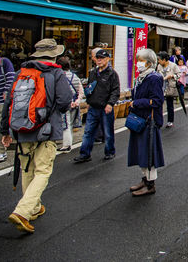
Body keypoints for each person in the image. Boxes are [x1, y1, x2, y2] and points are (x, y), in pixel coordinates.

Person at [1, 39, 72, 233]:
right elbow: (65, 100)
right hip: (47, 130)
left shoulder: (20, 73)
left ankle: (33, 208)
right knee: (42, 171)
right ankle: (23, 211)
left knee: (27, 169)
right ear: (53, 55)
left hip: (22, 130)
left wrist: (5, 131)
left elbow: (8, 103)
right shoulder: (56, 73)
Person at [127, 48, 165, 197]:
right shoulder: (141, 77)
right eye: (138, 61)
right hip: (139, 120)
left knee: (149, 153)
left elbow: (157, 100)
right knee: (140, 152)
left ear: (149, 63)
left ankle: (150, 184)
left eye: (141, 61)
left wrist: (137, 103)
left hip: (149, 120)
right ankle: (144, 179)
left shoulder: (154, 78)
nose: (138, 64)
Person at [74, 49, 120, 163]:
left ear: (107, 59)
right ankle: (85, 154)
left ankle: (110, 152)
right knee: (88, 132)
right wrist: (89, 102)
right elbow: (89, 88)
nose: (99, 60)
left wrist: (110, 104)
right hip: (93, 107)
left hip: (106, 107)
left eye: (102, 58)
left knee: (108, 132)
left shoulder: (112, 73)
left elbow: (115, 91)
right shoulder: (93, 73)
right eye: (97, 58)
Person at [57, 56, 84, 151]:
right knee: (70, 124)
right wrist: (77, 101)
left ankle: (66, 145)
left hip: (65, 103)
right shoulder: (74, 76)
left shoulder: (59, 77)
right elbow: (80, 91)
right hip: (74, 103)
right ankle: (69, 143)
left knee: (66, 125)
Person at [157, 52, 180, 128]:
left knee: (169, 105)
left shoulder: (173, 65)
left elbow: (179, 75)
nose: (158, 61)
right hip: (160, 87)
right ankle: (159, 121)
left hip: (170, 87)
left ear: (164, 59)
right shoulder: (159, 66)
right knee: (159, 105)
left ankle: (170, 121)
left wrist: (172, 76)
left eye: (159, 59)